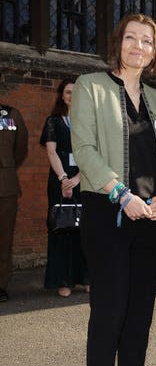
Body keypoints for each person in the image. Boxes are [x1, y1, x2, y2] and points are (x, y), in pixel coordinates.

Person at [71, 13, 156, 366]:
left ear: (154, 51)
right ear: (118, 43)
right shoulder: (90, 87)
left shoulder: (155, 98)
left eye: (147, 41)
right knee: (110, 311)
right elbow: (84, 149)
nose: (138, 46)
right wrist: (121, 194)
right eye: (131, 38)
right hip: (109, 213)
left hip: (152, 216)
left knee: (140, 313)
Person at [40, 78, 89, 298]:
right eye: (68, 92)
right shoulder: (53, 121)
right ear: (62, 95)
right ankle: (63, 280)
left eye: (75, 92)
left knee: (85, 230)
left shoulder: (88, 121)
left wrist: (78, 178)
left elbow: (92, 153)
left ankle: (86, 278)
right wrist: (63, 179)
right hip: (59, 183)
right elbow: (52, 152)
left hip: (84, 180)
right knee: (62, 228)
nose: (72, 95)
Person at [0, 104, 28, 302]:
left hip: (5, 185)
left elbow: (20, 149)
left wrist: (6, 168)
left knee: (4, 237)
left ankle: (0, 284)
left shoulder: (11, 114)